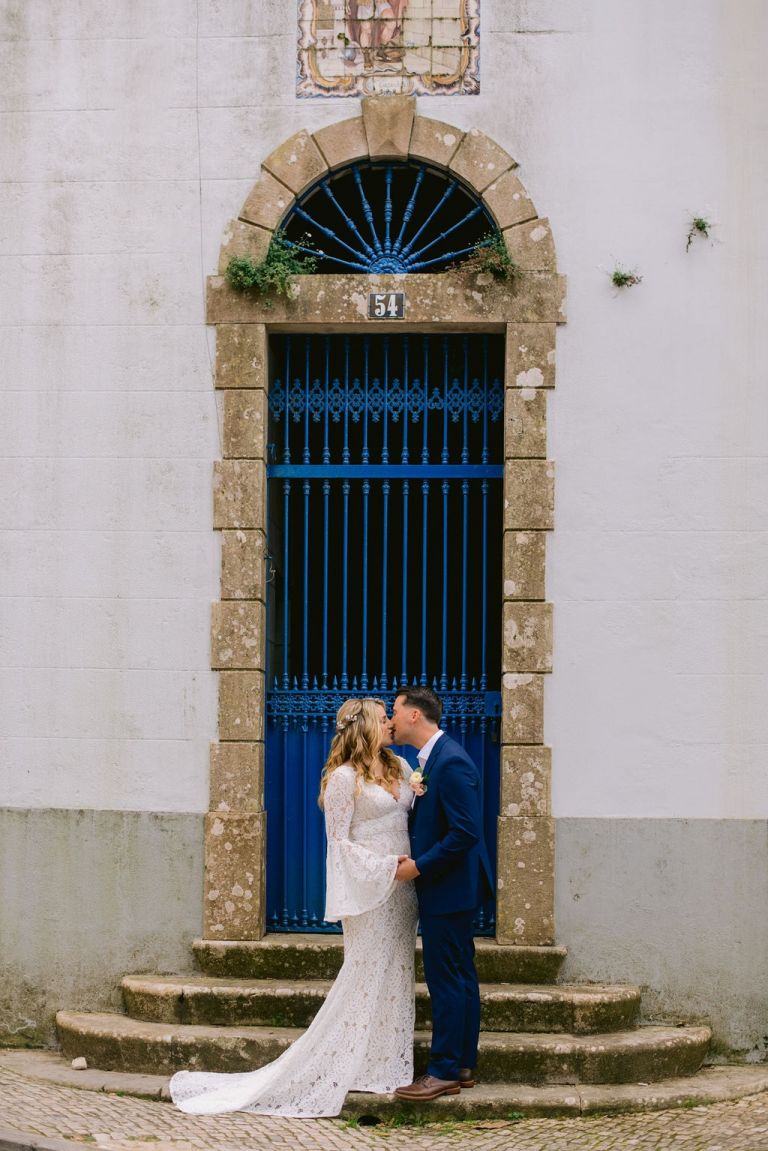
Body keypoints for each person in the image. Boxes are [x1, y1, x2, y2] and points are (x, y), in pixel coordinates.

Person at [169, 698, 418, 1118]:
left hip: (404, 892)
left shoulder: (402, 768)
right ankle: (337, 1060)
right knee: (362, 973)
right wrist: (383, 867)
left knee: (396, 972)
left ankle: (383, 1062)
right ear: (364, 727)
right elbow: (337, 842)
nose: (391, 723)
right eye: (383, 718)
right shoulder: (342, 778)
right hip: (371, 885)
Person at [390, 686, 494, 1101]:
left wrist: (419, 865)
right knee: (461, 977)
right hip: (452, 889)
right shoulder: (435, 759)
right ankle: (463, 1065)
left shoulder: (449, 762)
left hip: (449, 889)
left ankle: (444, 1070)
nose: (391, 718)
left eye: (395, 710)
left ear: (415, 715)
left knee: (446, 980)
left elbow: (465, 833)